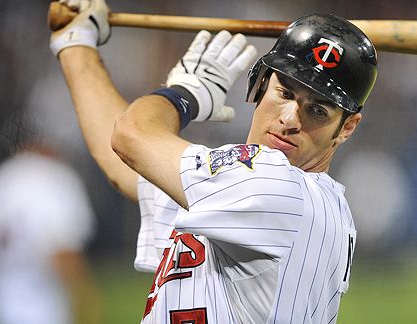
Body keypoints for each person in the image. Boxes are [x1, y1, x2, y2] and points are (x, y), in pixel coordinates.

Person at [50, 0, 377, 322]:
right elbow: (126, 163)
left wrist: (183, 95)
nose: (291, 118)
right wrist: (75, 43)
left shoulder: (278, 191)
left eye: (318, 110)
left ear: (346, 127)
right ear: (261, 84)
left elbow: (132, 137)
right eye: (286, 93)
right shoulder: (253, 193)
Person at [0, 145, 100, 324]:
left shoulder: (7, 176)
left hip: (7, 304)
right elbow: (63, 251)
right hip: (43, 309)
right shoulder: (54, 178)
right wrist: (87, 303)